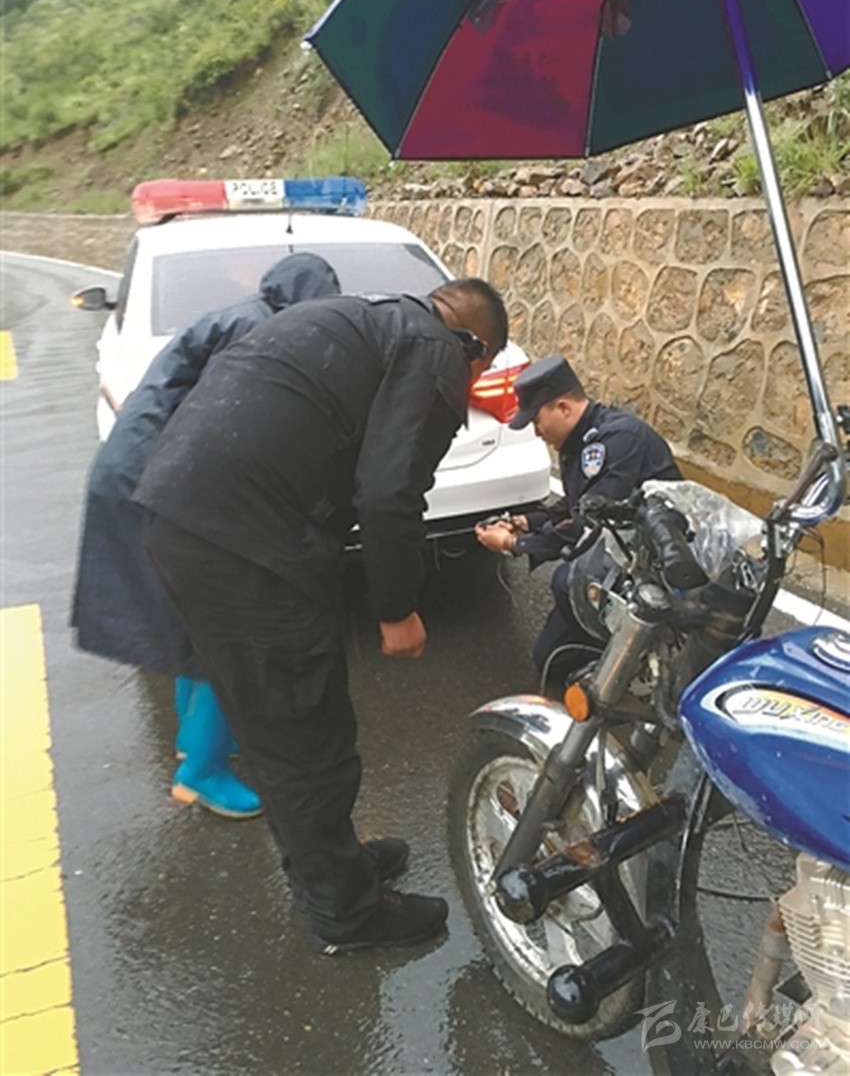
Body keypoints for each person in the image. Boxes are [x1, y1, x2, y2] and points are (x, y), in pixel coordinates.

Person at [133, 277, 508, 955]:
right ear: (475, 347)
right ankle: (349, 915)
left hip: (183, 514)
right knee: (305, 730)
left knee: (272, 721)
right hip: (244, 540)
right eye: (478, 371)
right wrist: (396, 609)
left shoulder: (356, 319)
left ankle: (334, 867)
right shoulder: (435, 350)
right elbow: (390, 492)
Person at [71, 253, 342, 819]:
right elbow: (241, 425)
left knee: (188, 619)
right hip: (160, 483)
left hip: (138, 471)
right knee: (230, 626)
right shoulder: (261, 333)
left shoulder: (242, 314)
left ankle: (198, 740)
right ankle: (201, 770)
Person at [475, 355, 681, 683]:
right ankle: (611, 650)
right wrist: (526, 521)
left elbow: (593, 526)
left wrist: (516, 543)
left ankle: (647, 652)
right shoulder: (578, 440)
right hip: (620, 548)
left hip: (653, 558)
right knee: (551, 660)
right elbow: (575, 505)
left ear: (563, 407)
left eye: (537, 421)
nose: (536, 432)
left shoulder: (617, 440)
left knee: (566, 580)